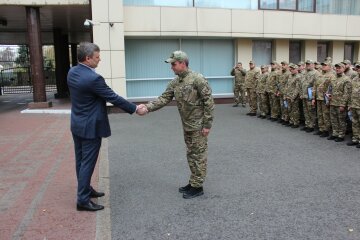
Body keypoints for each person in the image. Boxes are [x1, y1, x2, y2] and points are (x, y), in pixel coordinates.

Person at [67, 42, 147, 211]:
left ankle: (85, 189)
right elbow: (113, 97)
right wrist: (134, 109)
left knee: (80, 161)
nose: (100, 59)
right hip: (90, 128)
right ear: (88, 59)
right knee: (87, 163)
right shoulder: (93, 78)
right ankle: (82, 200)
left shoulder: (72, 72)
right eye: (97, 57)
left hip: (77, 124)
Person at [141, 50, 214, 199]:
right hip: (187, 125)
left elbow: (209, 102)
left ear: (182, 63)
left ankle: (198, 187)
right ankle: (193, 181)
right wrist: (147, 107)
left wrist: (207, 125)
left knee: (198, 155)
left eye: (173, 64)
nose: (171, 67)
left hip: (199, 126)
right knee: (191, 154)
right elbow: (164, 98)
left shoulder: (197, 79)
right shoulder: (175, 82)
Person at [327, 63, 351, 142]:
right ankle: (335, 133)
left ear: (344, 69)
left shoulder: (346, 79)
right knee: (333, 119)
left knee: (341, 120)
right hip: (332, 102)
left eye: (339, 68)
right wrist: (328, 94)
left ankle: (341, 135)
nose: (337, 69)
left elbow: (346, 93)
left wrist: (343, 105)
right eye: (336, 68)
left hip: (340, 103)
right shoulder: (333, 78)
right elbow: (330, 89)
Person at [347, 63, 360, 147]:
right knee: (354, 123)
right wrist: (349, 104)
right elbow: (350, 92)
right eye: (358, 68)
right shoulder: (355, 79)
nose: (359, 69)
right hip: (354, 105)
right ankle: (355, 138)